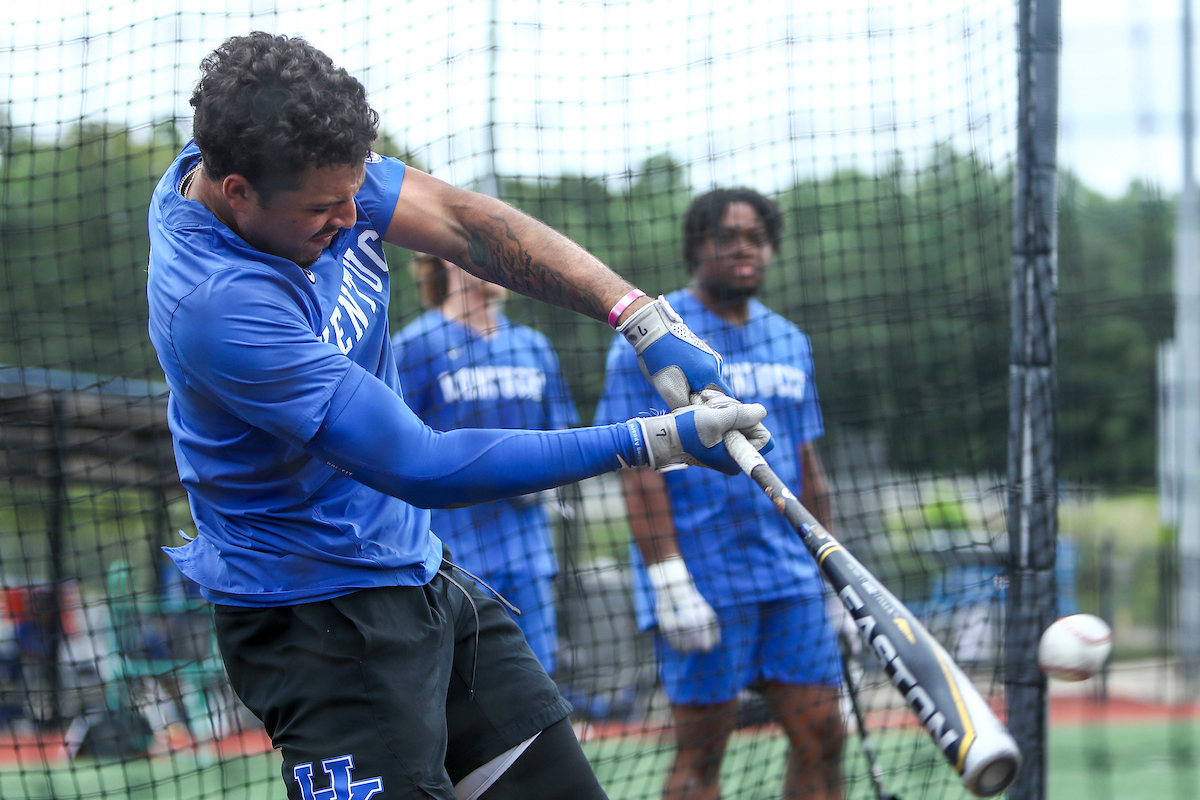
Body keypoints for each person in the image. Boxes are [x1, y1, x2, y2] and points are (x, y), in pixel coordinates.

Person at [146, 32, 770, 800]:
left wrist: (642, 317)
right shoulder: (219, 308)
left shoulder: (279, 153)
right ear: (237, 190)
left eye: (355, 189)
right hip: (315, 623)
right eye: (322, 208)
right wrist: (653, 439)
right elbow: (425, 464)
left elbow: (466, 224)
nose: (355, 214)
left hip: (420, 576)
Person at [594, 188, 845, 800]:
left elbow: (806, 461)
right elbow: (636, 465)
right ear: (697, 246)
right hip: (703, 579)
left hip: (788, 577)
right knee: (701, 758)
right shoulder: (656, 336)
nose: (743, 248)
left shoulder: (790, 339)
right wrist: (667, 577)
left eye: (756, 238)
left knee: (824, 736)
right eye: (727, 237)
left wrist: (833, 571)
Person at [393, 255, 578, 674]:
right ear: (447, 257)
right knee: (467, 687)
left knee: (538, 682)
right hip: (452, 557)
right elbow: (397, 451)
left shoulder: (533, 346)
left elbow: (561, 437)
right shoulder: (416, 345)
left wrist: (547, 478)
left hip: (530, 553)